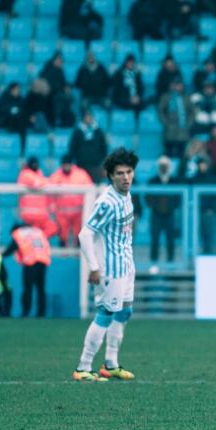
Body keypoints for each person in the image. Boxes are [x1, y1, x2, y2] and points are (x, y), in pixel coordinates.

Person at [73, 148, 139, 382]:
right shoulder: (107, 202)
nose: (126, 177)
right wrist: (94, 267)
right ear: (111, 176)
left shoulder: (126, 195)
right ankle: (83, 367)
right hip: (111, 270)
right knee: (105, 314)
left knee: (125, 311)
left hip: (126, 266)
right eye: (120, 173)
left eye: (129, 172)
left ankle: (111, 363)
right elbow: (85, 234)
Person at [2, 223, 51, 318]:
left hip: (30, 261)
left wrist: (0, 255)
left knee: (28, 288)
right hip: (43, 260)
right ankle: (41, 313)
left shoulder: (18, 233)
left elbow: (11, 249)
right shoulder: (37, 231)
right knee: (41, 289)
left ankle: (26, 311)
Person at [48, 155, 94, 247]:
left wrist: (88, 210)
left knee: (80, 236)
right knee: (62, 237)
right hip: (62, 214)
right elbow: (50, 196)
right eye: (65, 165)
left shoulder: (81, 175)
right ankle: (63, 255)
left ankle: (79, 255)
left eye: (68, 164)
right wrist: (53, 211)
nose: (67, 167)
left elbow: (90, 191)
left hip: (78, 213)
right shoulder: (55, 177)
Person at [146, 156, 179, 264]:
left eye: (165, 166)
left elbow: (178, 198)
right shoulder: (152, 181)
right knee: (155, 239)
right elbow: (148, 198)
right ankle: (153, 263)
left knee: (170, 239)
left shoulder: (174, 181)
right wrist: (156, 206)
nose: (163, 168)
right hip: (156, 215)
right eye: (161, 166)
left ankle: (170, 262)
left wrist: (171, 207)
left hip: (170, 214)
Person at [17, 157, 58, 239]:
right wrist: (47, 182)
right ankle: (36, 241)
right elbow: (37, 184)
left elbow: (46, 184)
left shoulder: (39, 174)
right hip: (30, 215)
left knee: (53, 228)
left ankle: (38, 240)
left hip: (42, 215)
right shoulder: (25, 174)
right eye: (33, 164)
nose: (35, 166)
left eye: (36, 164)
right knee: (33, 235)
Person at [69, 110, 109, 183]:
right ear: (83, 118)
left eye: (90, 117)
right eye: (86, 117)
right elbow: (72, 148)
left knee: (95, 185)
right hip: (81, 165)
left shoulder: (98, 131)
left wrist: (101, 161)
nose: (88, 119)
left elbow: (103, 147)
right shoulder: (77, 131)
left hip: (95, 166)